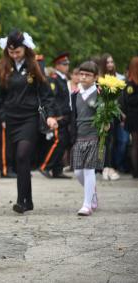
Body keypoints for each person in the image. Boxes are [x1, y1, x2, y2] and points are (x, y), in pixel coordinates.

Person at [0, 29, 58, 214]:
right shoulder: (3, 68)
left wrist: (51, 115)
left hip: (30, 118)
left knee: (22, 155)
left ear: (25, 49)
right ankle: (27, 201)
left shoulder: (36, 66)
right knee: (19, 160)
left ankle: (21, 201)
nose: (14, 55)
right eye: (11, 52)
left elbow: (47, 95)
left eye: (18, 51)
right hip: (11, 119)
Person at [70, 61, 103, 216]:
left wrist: (106, 124)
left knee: (89, 169)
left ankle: (87, 205)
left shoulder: (100, 93)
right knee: (78, 172)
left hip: (94, 135)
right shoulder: (75, 94)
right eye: (81, 74)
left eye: (88, 75)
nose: (83, 77)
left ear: (95, 77)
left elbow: (105, 114)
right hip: (79, 136)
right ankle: (92, 194)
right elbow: (74, 116)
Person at [39, 52, 72, 179]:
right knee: (58, 141)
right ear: (57, 66)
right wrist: (55, 115)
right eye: (64, 64)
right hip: (58, 116)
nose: (67, 66)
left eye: (67, 64)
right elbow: (52, 99)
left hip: (65, 115)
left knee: (63, 142)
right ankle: (45, 166)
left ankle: (57, 170)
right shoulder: (53, 79)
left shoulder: (63, 79)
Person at [99, 54, 124, 180]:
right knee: (105, 141)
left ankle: (109, 167)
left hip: (114, 113)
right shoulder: (100, 79)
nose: (110, 64)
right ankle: (105, 167)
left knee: (113, 141)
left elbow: (121, 99)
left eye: (112, 62)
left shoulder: (119, 78)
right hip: (103, 113)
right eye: (107, 62)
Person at [120, 57, 138, 178]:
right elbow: (129, 100)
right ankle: (136, 171)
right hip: (134, 118)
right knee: (136, 144)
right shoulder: (130, 83)